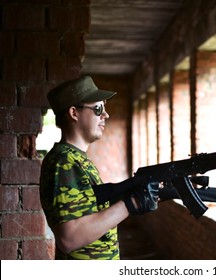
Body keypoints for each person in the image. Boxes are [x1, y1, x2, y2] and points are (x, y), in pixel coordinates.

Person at [39, 76, 159, 260]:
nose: (105, 115)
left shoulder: (76, 158)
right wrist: (130, 204)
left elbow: (89, 211)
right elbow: (69, 238)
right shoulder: (64, 162)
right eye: (98, 109)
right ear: (74, 113)